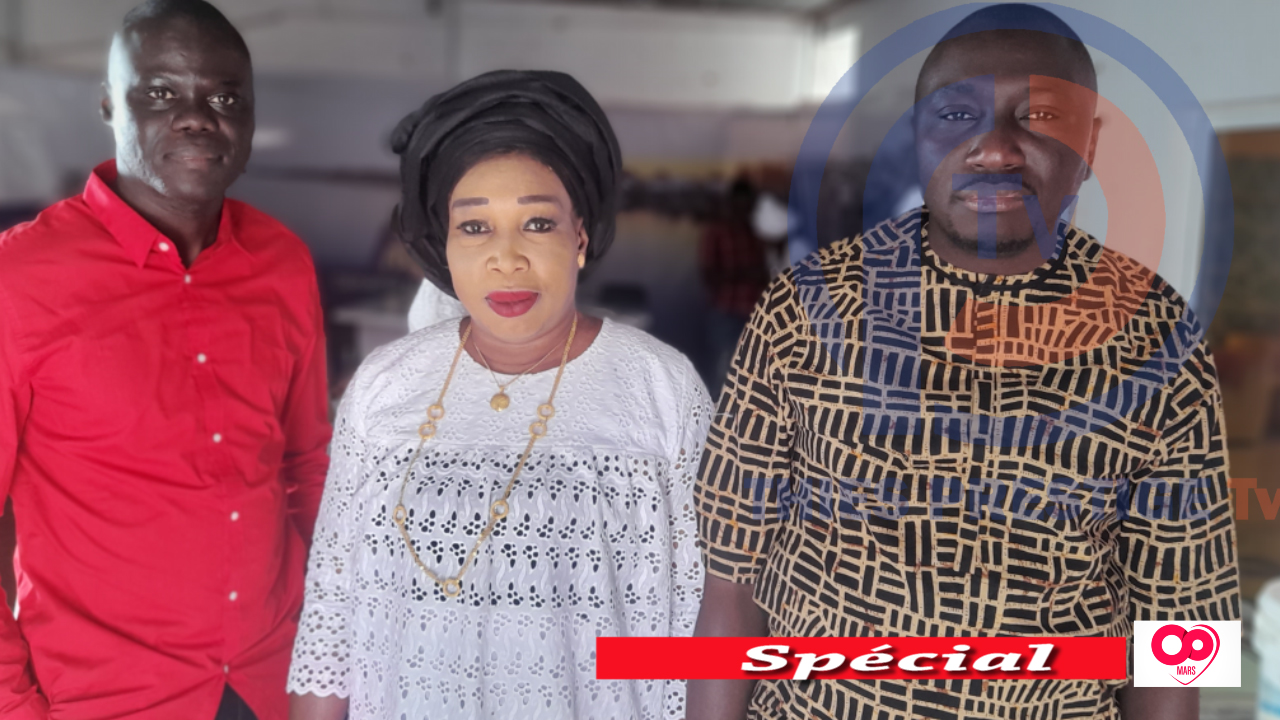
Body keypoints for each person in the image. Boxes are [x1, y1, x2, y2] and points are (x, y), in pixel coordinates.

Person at [689, 5, 1239, 720]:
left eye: (1040, 116)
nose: (996, 150)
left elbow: (1178, 633)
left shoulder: (1159, 341)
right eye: (956, 115)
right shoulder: (804, 310)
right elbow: (730, 586)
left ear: (1089, 144)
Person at [287, 70, 712, 720]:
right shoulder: (386, 385)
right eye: (475, 227)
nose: (506, 259)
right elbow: (331, 617)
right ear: (444, 244)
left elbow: (701, 614)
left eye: (537, 223)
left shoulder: (660, 388)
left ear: (580, 237)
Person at [0, 1, 332, 718]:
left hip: (274, 682)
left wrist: (329, 653)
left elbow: (306, 466)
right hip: (108, 698)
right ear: (108, 104)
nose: (196, 118)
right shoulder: (19, 279)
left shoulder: (283, 263)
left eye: (225, 98)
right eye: (159, 92)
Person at [698, 176, 770, 397]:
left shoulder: (756, 233)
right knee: (722, 374)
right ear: (732, 203)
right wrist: (746, 274)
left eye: (749, 205)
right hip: (726, 314)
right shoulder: (717, 233)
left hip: (755, 316)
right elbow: (709, 277)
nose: (744, 210)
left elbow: (765, 271)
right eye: (740, 205)